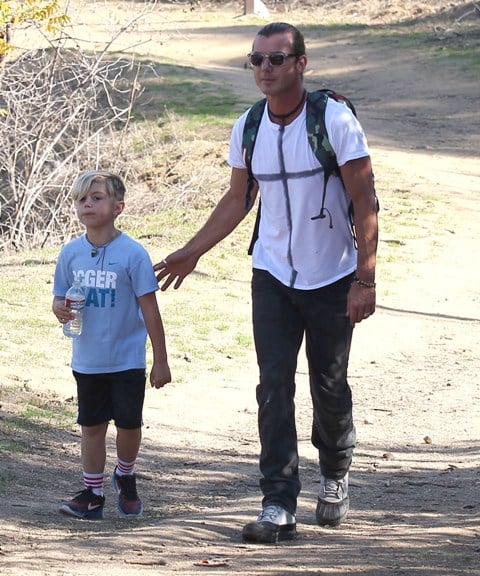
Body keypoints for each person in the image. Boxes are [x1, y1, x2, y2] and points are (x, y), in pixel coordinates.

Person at [155, 22, 378, 543]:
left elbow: (364, 198)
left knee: (329, 383)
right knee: (273, 384)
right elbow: (239, 199)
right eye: (255, 60)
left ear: (301, 63)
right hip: (272, 273)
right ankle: (278, 500)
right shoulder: (248, 126)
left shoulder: (334, 121)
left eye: (276, 60)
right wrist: (191, 251)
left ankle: (335, 470)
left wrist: (364, 278)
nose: (264, 70)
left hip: (332, 275)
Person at [52, 170, 171, 520]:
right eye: (81, 199)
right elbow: (59, 300)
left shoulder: (132, 253)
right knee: (91, 426)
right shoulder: (70, 253)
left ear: (119, 206)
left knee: (129, 424)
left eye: (96, 197)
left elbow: (150, 308)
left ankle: (125, 473)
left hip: (127, 359)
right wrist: (60, 309)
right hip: (87, 359)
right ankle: (92, 494)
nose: (87, 203)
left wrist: (160, 360)